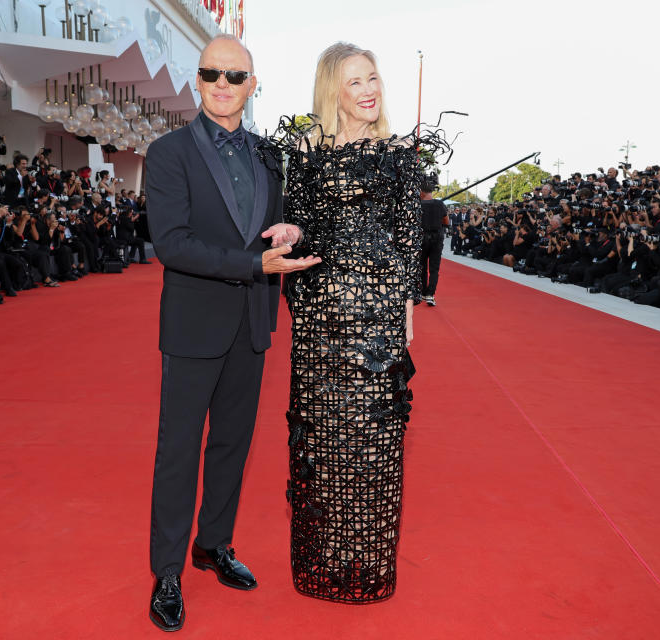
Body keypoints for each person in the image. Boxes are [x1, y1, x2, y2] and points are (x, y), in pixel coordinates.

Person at [144, 34, 320, 632]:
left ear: (252, 83)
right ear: (197, 80)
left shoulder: (272, 155)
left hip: (252, 323)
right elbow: (171, 243)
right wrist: (252, 265)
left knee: (232, 446)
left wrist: (289, 232)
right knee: (178, 452)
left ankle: (212, 543)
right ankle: (167, 571)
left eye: (235, 76)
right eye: (211, 74)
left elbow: (277, 223)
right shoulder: (168, 153)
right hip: (195, 323)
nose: (223, 84)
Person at [273, 41, 428, 603]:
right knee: (325, 435)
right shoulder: (309, 151)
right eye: (355, 81)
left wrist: (406, 309)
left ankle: (366, 554)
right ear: (332, 89)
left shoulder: (398, 156)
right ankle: (327, 555)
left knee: (376, 437)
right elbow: (301, 223)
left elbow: (409, 239)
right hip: (321, 318)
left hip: (378, 317)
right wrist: (292, 234)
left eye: (373, 79)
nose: (368, 90)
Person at [418, 179, 447, 306]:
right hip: (437, 238)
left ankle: (423, 292)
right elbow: (446, 222)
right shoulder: (440, 204)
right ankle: (430, 294)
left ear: (421, 192)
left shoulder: (417, 205)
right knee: (434, 268)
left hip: (422, 238)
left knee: (422, 267)